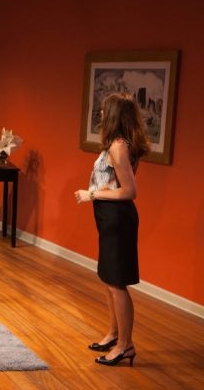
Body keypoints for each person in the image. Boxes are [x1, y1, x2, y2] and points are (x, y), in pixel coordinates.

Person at [75, 92, 149, 367]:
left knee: (117, 283)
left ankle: (125, 345)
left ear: (115, 115)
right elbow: (115, 183)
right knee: (108, 278)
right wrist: (101, 191)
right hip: (109, 217)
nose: (101, 115)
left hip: (118, 219)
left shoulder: (118, 147)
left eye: (105, 111)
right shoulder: (117, 145)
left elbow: (130, 191)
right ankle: (114, 333)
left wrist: (92, 194)